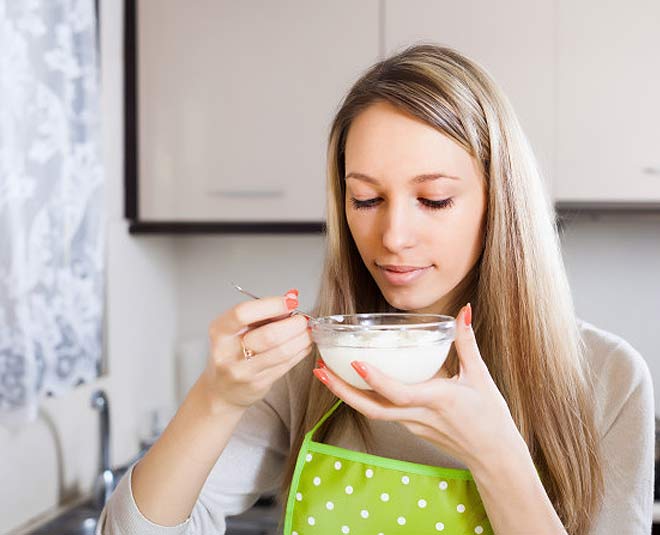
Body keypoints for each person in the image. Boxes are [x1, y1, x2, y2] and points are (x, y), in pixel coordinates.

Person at [98, 44, 654, 534]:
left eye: (434, 199)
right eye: (365, 200)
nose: (392, 236)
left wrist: (494, 454)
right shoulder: (309, 369)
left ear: (499, 202)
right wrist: (213, 400)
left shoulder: (608, 379)